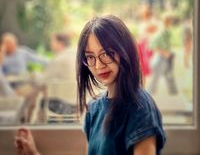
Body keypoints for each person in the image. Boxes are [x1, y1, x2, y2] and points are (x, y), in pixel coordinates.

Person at [14, 15, 166, 155]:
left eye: (106, 54)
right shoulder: (93, 109)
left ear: (124, 51)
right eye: (90, 57)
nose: (98, 65)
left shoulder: (140, 108)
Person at [148, 13, 178, 95]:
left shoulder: (167, 32)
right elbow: (152, 45)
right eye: (170, 20)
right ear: (167, 21)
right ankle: (148, 96)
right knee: (155, 79)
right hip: (160, 59)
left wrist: (169, 53)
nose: (172, 22)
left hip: (166, 58)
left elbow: (167, 45)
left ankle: (174, 93)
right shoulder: (162, 32)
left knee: (169, 76)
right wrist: (164, 52)